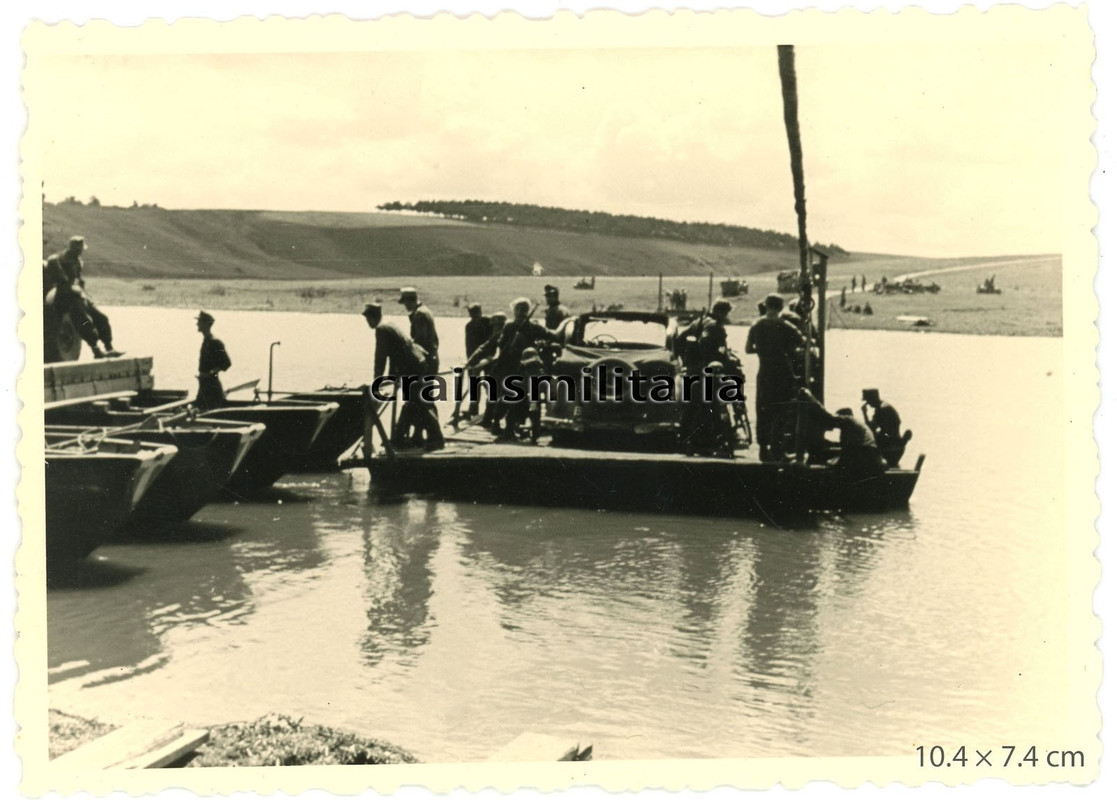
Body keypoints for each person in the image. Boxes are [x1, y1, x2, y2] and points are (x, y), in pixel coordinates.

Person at [466, 298, 555, 440]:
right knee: (511, 398)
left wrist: (540, 344)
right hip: (512, 368)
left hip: (521, 369)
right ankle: (505, 424)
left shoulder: (529, 327)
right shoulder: (513, 327)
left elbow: (550, 336)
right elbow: (500, 344)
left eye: (521, 310)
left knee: (519, 399)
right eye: (518, 309)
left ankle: (513, 426)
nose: (519, 312)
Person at [362, 302, 444, 451]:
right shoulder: (389, 325)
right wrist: (391, 378)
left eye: (368, 318)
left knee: (420, 403)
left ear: (373, 318)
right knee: (412, 403)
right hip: (416, 364)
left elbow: (381, 357)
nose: (367, 322)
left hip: (414, 367)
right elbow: (395, 354)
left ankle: (437, 439)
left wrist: (377, 381)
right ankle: (399, 438)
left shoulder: (381, 329)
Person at [745, 293, 804, 462]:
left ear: (766, 305)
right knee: (781, 411)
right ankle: (778, 450)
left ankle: (763, 449)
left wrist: (764, 351)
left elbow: (748, 349)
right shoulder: (785, 326)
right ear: (780, 307)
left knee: (763, 410)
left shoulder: (756, 325)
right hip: (782, 373)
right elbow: (801, 343)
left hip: (764, 373)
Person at [43, 235, 121, 359]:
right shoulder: (56, 260)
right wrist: (75, 289)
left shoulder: (78, 261)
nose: (80, 252)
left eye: (81, 249)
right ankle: (96, 350)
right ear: (71, 249)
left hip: (79, 295)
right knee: (85, 321)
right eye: (78, 249)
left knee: (102, 318)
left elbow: (79, 280)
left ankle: (109, 347)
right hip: (66, 297)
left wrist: (86, 297)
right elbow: (62, 282)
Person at [861, 388, 911, 468]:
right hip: (893, 443)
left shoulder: (882, 409)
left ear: (873, 399)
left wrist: (864, 414)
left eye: (868, 401)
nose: (868, 404)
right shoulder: (882, 407)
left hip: (891, 446)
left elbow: (871, 428)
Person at [830, 408, 885, 478]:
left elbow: (848, 449)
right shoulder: (856, 425)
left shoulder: (849, 420)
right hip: (871, 454)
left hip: (867, 454)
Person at [194, 310, 231, 411]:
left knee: (209, 411)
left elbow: (227, 363)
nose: (197, 324)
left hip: (212, 387)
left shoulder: (215, 342)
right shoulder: (206, 342)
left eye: (199, 322)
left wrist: (210, 373)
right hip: (204, 385)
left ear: (206, 325)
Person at [399, 287, 439, 374]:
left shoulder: (420, 314)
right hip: (431, 359)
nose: (405, 306)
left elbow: (420, 341)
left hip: (425, 362)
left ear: (410, 301)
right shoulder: (425, 310)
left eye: (405, 303)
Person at [463, 304, 493, 418]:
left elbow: (492, 341)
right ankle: (473, 410)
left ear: (480, 312)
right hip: (474, 359)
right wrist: (470, 362)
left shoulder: (489, 322)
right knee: (473, 385)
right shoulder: (469, 326)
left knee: (489, 383)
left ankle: (490, 409)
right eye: (471, 313)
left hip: (488, 359)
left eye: (475, 313)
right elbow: (468, 345)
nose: (473, 316)